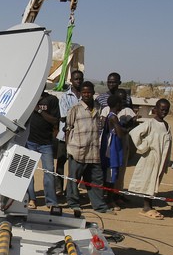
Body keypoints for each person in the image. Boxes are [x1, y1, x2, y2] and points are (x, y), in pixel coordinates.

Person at [64, 81, 110, 213]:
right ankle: (73, 203)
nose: (86, 95)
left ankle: (99, 205)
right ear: (81, 93)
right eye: (84, 92)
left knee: (96, 180)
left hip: (93, 151)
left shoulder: (98, 107)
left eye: (89, 92)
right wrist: (68, 148)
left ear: (93, 92)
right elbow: (68, 129)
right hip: (78, 150)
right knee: (74, 179)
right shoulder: (75, 109)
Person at [128, 99, 173, 219]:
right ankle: (146, 207)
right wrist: (144, 146)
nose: (164, 112)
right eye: (161, 109)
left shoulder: (166, 125)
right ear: (156, 110)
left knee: (155, 181)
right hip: (150, 158)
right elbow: (134, 133)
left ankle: (149, 205)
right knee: (149, 181)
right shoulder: (150, 123)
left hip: (160, 160)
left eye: (166, 110)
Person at [24, 89, 60, 209]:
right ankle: (31, 199)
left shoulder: (52, 100)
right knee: (28, 172)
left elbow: (55, 120)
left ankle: (51, 201)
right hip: (30, 141)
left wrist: (39, 110)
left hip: (46, 143)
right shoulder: (28, 97)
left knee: (49, 172)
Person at [55, 69, 84, 197]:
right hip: (64, 137)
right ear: (71, 81)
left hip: (80, 138)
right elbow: (64, 116)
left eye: (80, 79)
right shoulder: (65, 97)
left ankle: (71, 190)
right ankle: (58, 188)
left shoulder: (85, 96)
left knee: (75, 166)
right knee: (61, 162)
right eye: (76, 79)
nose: (78, 81)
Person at [100, 94, 127, 211]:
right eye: (120, 103)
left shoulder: (112, 116)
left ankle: (109, 198)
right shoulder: (113, 117)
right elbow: (120, 134)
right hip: (111, 151)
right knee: (111, 177)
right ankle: (109, 200)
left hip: (112, 149)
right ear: (117, 104)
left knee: (110, 177)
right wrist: (129, 128)